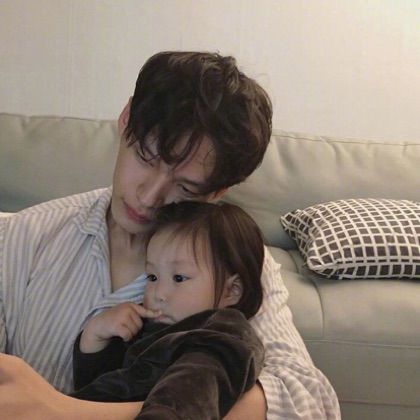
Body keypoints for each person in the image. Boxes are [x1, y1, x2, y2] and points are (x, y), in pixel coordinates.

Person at [0, 51, 340, 419]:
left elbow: (309, 402)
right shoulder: (22, 237)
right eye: (146, 157)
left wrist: (65, 410)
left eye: (186, 187)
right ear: (126, 118)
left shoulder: (226, 259)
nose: (149, 197)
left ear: (218, 192)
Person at [71, 201, 265, 420]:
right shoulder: (147, 326)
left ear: (232, 290)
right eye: (152, 277)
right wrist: (95, 337)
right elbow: (96, 389)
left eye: (179, 278)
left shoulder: (218, 338)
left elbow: (189, 395)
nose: (158, 293)